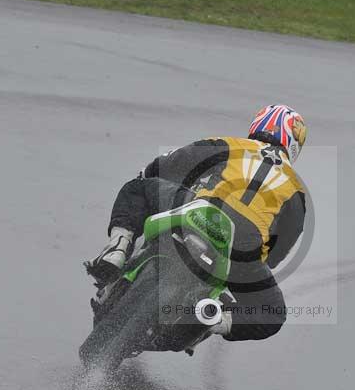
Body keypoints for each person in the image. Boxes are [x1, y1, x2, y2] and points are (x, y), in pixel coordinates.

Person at [84, 104, 308, 341]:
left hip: (202, 211)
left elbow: (172, 163)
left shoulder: (231, 144)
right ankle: (215, 319)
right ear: (294, 144)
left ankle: (118, 248)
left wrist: (150, 174)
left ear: (259, 124)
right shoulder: (297, 191)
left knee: (136, 189)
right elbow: (278, 252)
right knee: (273, 313)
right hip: (242, 248)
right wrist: (250, 269)